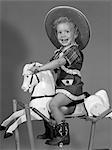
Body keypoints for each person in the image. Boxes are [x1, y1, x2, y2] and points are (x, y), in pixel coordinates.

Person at [30, 6, 91, 146]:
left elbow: (58, 63)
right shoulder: (59, 51)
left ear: (75, 34)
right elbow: (52, 65)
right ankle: (50, 131)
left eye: (67, 31)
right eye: (59, 32)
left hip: (71, 87)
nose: (63, 35)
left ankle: (63, 135)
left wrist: (40, 68)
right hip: (60, 86)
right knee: (46, 103)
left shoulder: (73, 51)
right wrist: (37, 69)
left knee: (53, 104)